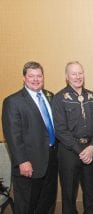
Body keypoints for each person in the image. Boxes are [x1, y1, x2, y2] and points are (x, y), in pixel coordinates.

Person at [2, 61, 58, 214]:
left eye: (39, 76)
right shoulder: (13, 101)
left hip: (51, 159)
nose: (35, 79)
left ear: (43, 77)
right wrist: (22, 161)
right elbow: (13, 135)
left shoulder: (50, 96)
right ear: (24, 78)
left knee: (47, 203)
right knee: (26, 205)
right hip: (29, 163)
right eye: (31, 76)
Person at [52, 61, 93, 214]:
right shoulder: (59, 98)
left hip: (91, 150)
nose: (78, 76)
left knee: (91, 194)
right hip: (69, 152)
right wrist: (81, 151)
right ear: (67, 77)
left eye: (80, 73)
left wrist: (92, 146)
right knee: (69, 195)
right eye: (73, 73)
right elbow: (60, 130)